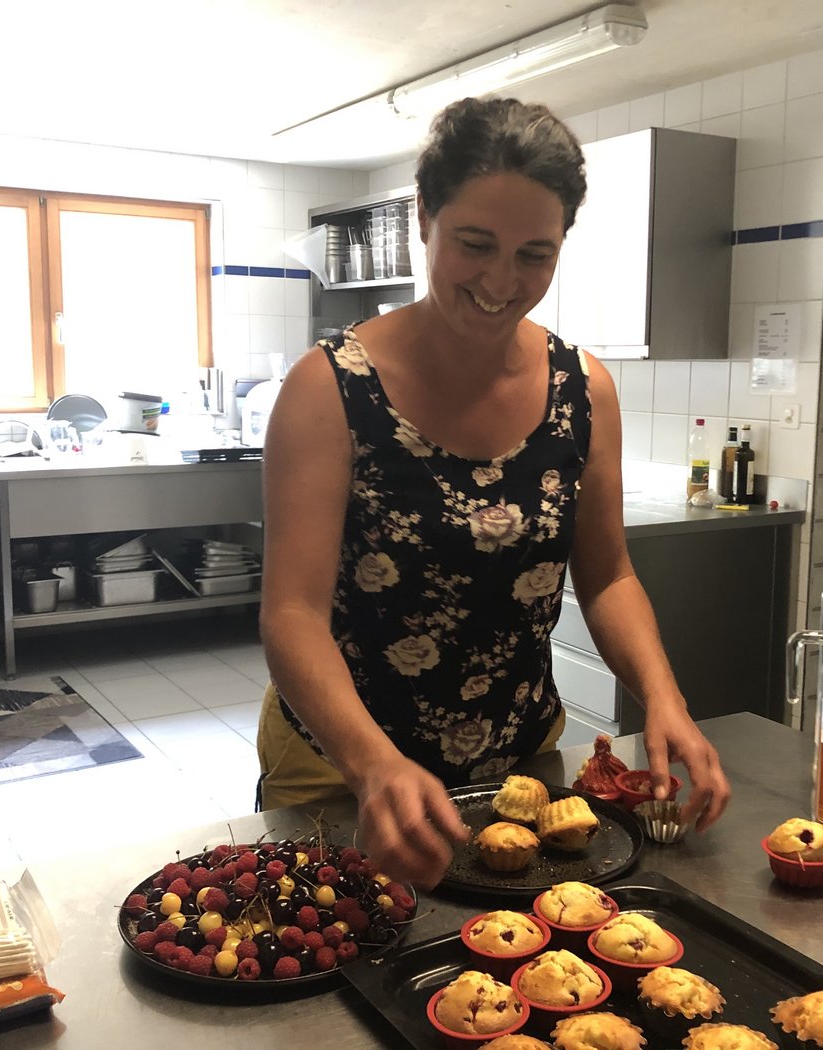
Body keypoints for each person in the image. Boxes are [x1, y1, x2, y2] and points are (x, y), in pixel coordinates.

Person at [258, 96, 730, 888]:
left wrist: (663, 699)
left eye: (534, 254)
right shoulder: (329, 389)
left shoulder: (582, 390)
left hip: (519, 764)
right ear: (424, 218)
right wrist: (373, 764)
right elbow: (292, 614)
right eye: (475, 244)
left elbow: (608, 576)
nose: (501, 281)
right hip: (342, 765)